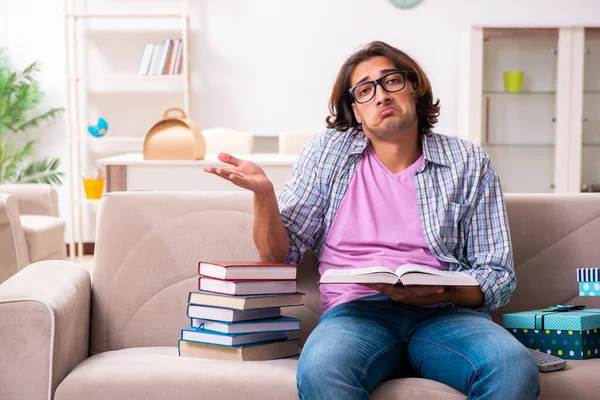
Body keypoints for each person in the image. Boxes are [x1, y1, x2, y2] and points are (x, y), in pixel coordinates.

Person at [204, 41, 540, 400]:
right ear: (356, 111)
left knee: (513, 368)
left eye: (390, 81)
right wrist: (264, 196)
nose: (380, 96)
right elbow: (277, 258)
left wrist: (442, 293)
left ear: (414, 88)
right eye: (365, 90)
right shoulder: (327, 153)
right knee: (321, 371)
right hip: (356, 315)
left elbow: (498, 275)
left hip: (448, 315)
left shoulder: (468, 161)